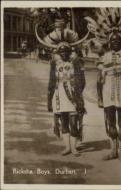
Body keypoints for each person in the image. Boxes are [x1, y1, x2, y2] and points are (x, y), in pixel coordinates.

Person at [35, 17, 88, 157]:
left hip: (73, 96)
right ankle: (67, 147)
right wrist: (49, 99)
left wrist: (77, 94)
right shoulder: (55, 64)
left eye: (66, 51)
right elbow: (52, 82)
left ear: (70, 51)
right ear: (57, 52)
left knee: (74, 121)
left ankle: (75, 148)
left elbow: (82, 81)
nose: (64, 53)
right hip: (59, 97)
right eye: (61, 51)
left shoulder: (75, 62)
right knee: (64, 123)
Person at [97, 30, 121, 164]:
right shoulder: (104, 56)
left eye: (117, 40)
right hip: (107, 91)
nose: (115, 42)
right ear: (109, 42)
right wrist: (100, 97)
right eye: (112, 40)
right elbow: (99, 78)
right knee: (110, 122)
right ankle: (113, 151)